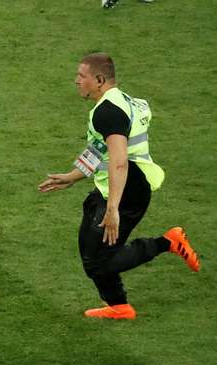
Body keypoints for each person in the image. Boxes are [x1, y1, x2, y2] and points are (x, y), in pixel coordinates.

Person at [38, 52, 200, 319]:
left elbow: (119, 161)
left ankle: (167, 242)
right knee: (91, 252)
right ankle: (119, 306)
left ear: (99, 79)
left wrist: (113, 208)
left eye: (82, 76)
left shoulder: (108, 111)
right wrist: (72, 176)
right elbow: (100, 147)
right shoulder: (124, 102)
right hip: (117, 187)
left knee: (98, 262)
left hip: (127, 191)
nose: (76, 81)